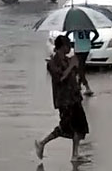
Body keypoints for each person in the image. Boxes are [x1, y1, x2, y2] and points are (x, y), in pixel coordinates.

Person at [35, 34, 93, 163]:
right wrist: (71, 66)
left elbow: (75, 76)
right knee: (65, 127)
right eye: (68, 45)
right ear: (61, 47)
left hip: (74, 98)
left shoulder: (68, 60)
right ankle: (42, 143)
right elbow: (60, 78)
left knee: (80, 127)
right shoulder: (52, 63)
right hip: (64, 100)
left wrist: (77, 66)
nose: (70, 48)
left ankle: (75, 154)